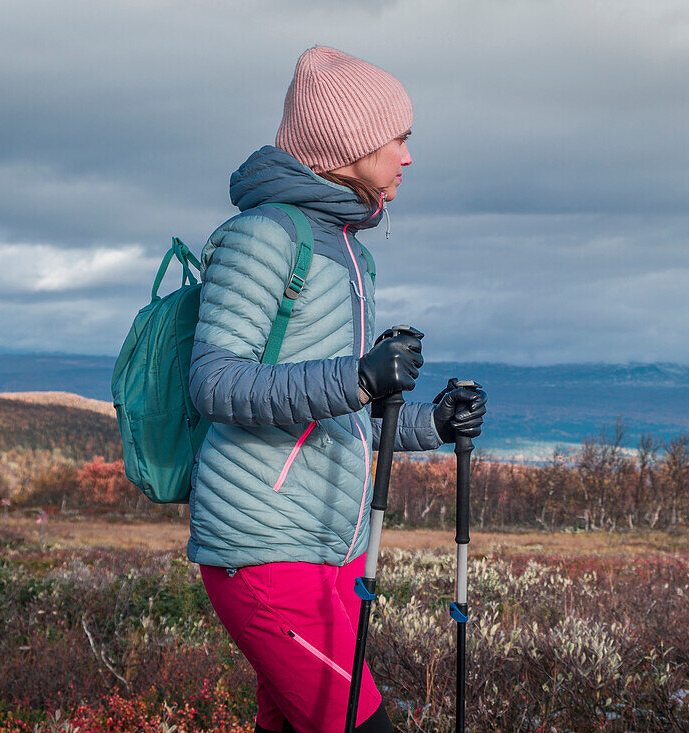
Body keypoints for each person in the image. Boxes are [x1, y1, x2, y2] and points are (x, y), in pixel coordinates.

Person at [185, 46, 487, 733]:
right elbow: (216, 381)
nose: (408, 157)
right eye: (398, 138)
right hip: (266, 548)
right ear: (349, 146)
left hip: (330, 549)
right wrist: (357, 378)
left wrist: (433, 424)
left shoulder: (351, 251)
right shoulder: (262, 237)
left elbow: (340, 417)